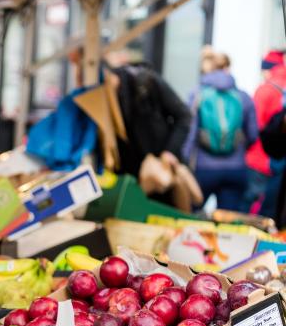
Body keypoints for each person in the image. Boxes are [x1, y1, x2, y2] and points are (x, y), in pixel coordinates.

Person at [182, 52, 258, 211]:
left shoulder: (197, 94)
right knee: (229, 223)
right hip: (235, 169)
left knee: (192, 218)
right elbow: (253, 135)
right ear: (227, 68)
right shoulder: (243, 97)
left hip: (203, 169)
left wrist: (184, 162)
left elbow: (189, 134)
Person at [110, 64, 192, 181]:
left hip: (161, 167)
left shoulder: (147, 82)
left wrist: (169, 151)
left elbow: (184, 116)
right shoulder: (104, 99)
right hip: (131, 174)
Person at [245, 50, 286, 218]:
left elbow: (255, 126)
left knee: (252, 211)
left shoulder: (265, 90)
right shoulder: (282, 88)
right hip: (278, 162)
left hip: (260, 158)